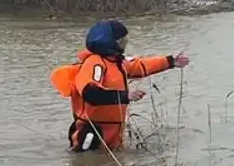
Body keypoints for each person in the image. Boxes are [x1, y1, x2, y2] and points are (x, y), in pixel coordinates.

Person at [50, 20, 190, 153]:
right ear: (110, 43)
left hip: (112, 134)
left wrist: (170, 61)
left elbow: (141, 65)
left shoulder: (117, 62)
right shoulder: (94, 64)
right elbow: (90, 93)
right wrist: (124, 96)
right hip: (91, 134)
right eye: (122, 40)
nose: (125, 43)